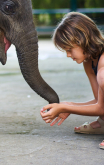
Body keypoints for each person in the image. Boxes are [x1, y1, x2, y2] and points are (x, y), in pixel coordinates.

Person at [40, 12, 104, 149]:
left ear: (82, 40)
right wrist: (68, 104)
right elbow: (100, 102)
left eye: (69, 49)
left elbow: (101, 108)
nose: (68, 55)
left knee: (102, 77)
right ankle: (102, 123)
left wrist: (64, 107)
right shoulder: (89, 62)